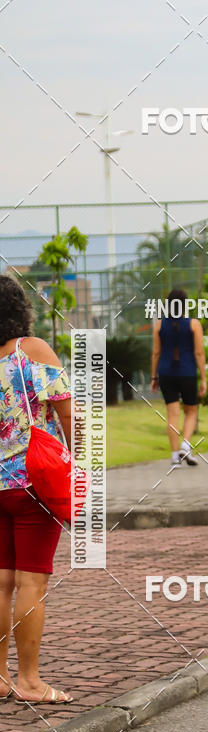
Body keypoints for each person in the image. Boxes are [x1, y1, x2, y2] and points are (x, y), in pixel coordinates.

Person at [0, 275, 74, 704]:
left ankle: (1, 676)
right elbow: (69, 414)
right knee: (31, 583)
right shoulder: (33, 351)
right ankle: (30, 681)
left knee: (1, 582)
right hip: (33, 483)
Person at [151, 288, 207, 467]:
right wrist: (204, 378)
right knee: (191, 411)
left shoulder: (159, 324)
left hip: (166, 373)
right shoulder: (194, 324)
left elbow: (156, 352)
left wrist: (154, 377)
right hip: (187, 372)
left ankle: (175, 456)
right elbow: (199, 352)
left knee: (172, 414)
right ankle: (185, 445)